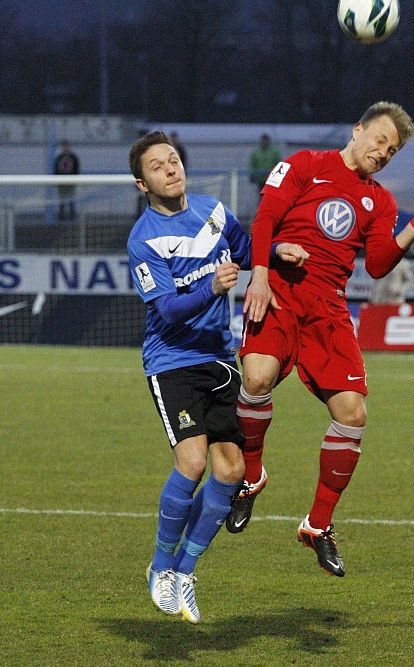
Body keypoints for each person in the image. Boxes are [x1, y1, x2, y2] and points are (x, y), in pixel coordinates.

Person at [229, 102, 414, 577]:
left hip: (329, 309)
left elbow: (377, 265)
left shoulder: (381, 202)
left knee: (353, 415)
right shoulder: (305, 164)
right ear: (358, 130)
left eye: (392, 151)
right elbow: (265, 219)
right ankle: (251, 475)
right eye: (380, 140)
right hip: (279, 292)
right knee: (255, 379)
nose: (383, 153)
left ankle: (317, 526)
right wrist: (259, 275)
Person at [126, 131, 307, 623]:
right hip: (172, 361)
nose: (170, 168)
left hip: (219, 358)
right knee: (192, 462)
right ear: (142, 184)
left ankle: (185, 570)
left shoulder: (213, 211)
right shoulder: (144, 239)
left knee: (230, 470)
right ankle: (160, 566)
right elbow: (167, 309)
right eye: (158, 166)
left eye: (173, 159)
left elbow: (247, 251)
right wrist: (210, 288)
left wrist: (279, 250)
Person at [53, 140, 80, 221]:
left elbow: (76, 169)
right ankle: (61, 216)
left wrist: (75, 180)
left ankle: (72, 216)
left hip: (71, 182)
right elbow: (56, 169)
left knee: (71, 199)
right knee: (62, 200)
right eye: (64, 146)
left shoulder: (74, 158)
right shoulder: (59, 158)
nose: (66, 148)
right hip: (62, 182)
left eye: (67, 146)